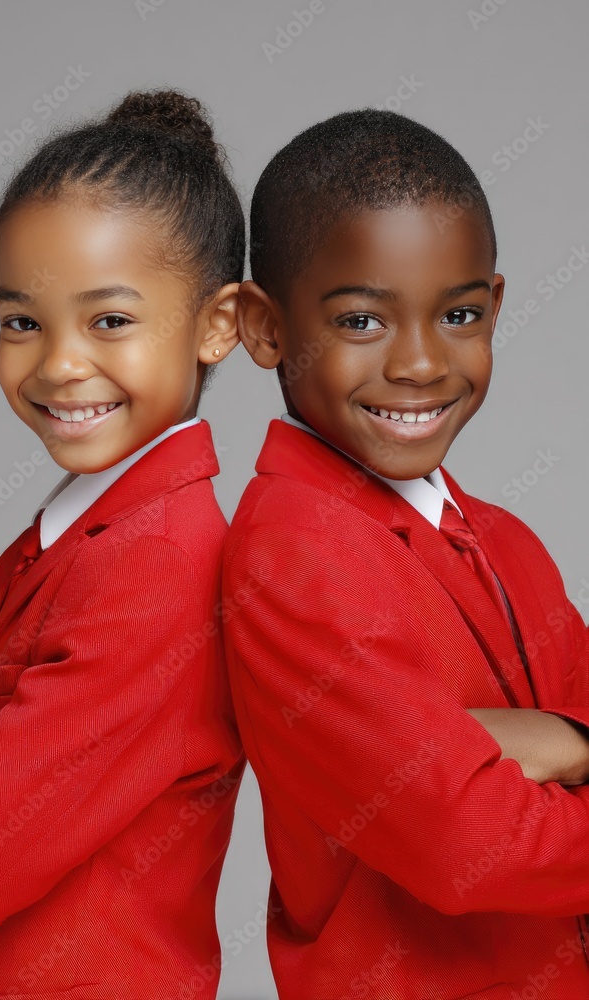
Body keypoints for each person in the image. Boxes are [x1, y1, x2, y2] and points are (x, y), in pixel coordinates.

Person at [223, 108, 589, 998]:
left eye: (457, 314)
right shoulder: (290, 555)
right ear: (264, 327)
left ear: (494, 306)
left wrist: (557, 740)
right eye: (361, 321)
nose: (421, 363)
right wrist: (548, 752)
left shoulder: (504, 538)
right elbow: (466, 843)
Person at [0, 89, 245, 998]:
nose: (59, 364)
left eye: (110, 320)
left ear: (217, 324)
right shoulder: (72, 534)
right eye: (22, 321)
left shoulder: (158, 564)